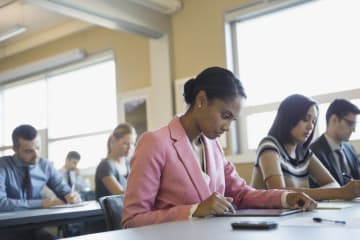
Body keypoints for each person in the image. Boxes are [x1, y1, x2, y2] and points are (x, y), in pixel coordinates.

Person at [122, 67, 317, 229]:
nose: (227, 127)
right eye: (225, 116)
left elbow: (241, 194)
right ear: (201, 101)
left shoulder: (213, 146)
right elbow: (132, 220)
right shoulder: (154, 143)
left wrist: (286, 198)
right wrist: (193, 210)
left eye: (233, 120)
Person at [251, 94, 360, 201]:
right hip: (266, 217)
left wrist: (337, 191)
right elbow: (280, 193)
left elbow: (333, 184)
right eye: (305, 119)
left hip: (294, 216)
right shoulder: (268, 145)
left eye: (313, 121)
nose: (310, 126)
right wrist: (341, 192)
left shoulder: (304, 153)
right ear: (288, 118)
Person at [0, 124, 80, 240]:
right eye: (28, 151)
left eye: (38, 148)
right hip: (6, 229)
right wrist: (41, 203)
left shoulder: (45, 166)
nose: (36, 155)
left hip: (34, 228)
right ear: (15, 149)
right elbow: (1, 203)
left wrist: (72, 196)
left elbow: (64, 190)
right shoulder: (2, 166)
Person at [311, 99, 360, 186]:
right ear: (334, 120)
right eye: (350, 123)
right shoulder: (314, 152)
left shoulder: (350, 148)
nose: (354, 130)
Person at [95, 123, 137, 199]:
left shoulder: (128, 162)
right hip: (113, 210)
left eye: (132, 144)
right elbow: (121, 195)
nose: (130, 147)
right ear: (113, 140)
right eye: (126, 143)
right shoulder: (105, 166)